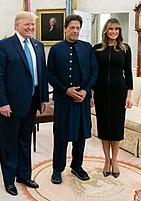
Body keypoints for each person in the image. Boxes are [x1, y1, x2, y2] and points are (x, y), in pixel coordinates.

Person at [0, 11, 49, 196]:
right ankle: (9, 181)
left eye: (33, 25)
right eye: (27, 25)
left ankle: (24, 175)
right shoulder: (4, 46)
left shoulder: (38, 46)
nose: (31, 28)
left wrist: (43, 98)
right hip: (10, 104)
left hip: (32, 102)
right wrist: (2, 103)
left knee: (25, 141)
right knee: (9, 143)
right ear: (17, 26)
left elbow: (42, 74)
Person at [47, 14, 98, 184]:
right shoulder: (55, 49)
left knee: (80, 135)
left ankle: (77, 166)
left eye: (77, 28)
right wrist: (65, 90)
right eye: (72, 28)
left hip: (81, 100)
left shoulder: (87, 47)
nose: (75, 31)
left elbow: (94, 72)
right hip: (63, 99)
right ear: (66, 28)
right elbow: (50, 75)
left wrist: (86, 91)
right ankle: (57, 169)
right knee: (61, 136)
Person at [92, 18, 133, 178]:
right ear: (105, 31)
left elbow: (128, 72)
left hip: (119, 91)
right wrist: (92, 94)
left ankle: (115, 160)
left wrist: (129, 94)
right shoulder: (97, 49)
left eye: (116, 29)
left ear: (119, 31)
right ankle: (106, 160)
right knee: (104, 127)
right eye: (111, 29)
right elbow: (93, 72)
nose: (114, 32)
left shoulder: (125, 49)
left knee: (116, 127)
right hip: (101, 91)